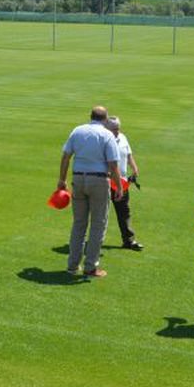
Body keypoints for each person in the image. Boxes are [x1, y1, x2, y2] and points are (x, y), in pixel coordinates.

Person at [58, 106, 123, 277]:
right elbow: (113, 165)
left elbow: (66, 156)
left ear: (91, 116)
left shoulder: (77, 130)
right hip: (99, 181)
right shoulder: (107, 135)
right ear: (105, 119)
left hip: (78, 179)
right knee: (98, 225)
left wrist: (62, 180)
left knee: (78, 224)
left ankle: (72, 266)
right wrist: (119, 186)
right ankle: (90, 266)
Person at [105, 116, 143, 250]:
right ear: (106, 129)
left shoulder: (123, 137)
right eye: (114, 129)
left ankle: (129, 241)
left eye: (118, 128)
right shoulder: (103, 140)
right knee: (100, 213)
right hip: (106, 182)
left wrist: (134, 168)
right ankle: (93, 240)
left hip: (122, 182)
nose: (117, 131)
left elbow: (128, 155)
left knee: (124, 211)